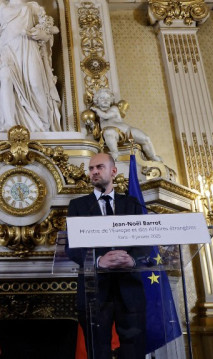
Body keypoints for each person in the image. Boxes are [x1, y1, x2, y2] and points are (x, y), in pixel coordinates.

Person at [66, 153, 150, 359]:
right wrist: (97, 261)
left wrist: (132, 260)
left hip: (129, 289)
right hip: (95, 289)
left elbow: (145, 241)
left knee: (133, 350)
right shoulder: (78, 206)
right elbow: (71, 246)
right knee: (97, 349)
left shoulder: (132, 204)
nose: (94, 172)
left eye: (99, 167)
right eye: (91, 168)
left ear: (113, 171)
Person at [0, 0, 62, 132]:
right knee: (5, 79)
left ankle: (44, 124)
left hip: (28, 48)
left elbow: (50, 30)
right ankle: (9, 123)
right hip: (6, 49)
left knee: (35, 84)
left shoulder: (32, 7)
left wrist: (43, 35)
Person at [87, 88, 161, 162]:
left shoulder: (113, 109)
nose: (105, 100)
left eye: (108, 98)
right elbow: (98, 133)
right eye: (102, 98)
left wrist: (96, 110)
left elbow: (106, 116)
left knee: (146, 138)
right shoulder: (98, 116)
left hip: (128, 131)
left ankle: (153, 156)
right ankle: (114, 152)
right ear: (97, 101)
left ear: (111, 101)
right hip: (114, 134)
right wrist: (92, 125)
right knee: (108, 132)